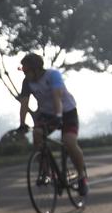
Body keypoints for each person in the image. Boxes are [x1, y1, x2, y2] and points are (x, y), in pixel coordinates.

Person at [16, 52, 88, 196]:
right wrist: (22, 124)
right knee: (37, 135)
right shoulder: (27, 82)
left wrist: (59, 116)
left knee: (69, 142)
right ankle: (46, 172)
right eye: (22, 70)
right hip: (46, 113)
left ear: (36, 69)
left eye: (26, 70)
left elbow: (57, 97)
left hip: (66, 111)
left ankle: (82, 177)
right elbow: (24, 103)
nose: (24, 73)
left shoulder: (52, 75)